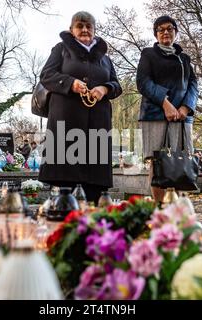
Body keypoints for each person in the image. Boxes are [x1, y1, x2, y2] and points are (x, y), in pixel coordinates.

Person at [38, 11, 122, 204]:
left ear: (94, 30)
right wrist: (70, 83)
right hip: (66, 123)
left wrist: (105, 88)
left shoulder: (105, 59)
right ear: (71, 29)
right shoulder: (60, 50)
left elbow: (117, 86)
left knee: (94, 186)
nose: (84, 29)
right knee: (64, 184)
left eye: (89, 26)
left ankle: (91, 225)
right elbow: (47, 75)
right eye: (79, 26)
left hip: (97, 126)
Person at [136, 15, 199, 202]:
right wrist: (165, 103)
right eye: (161, 29)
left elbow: (193, 84)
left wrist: (186, 108)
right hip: (155, 114)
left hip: (182, 117)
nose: (165, 32)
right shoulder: (148, 54)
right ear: (156, 34)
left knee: (182, 161)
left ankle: (179, 209)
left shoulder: (185, 58)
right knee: (157, 163)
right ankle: (159, 208)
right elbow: (143, 82)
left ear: (175, 32)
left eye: (169, 29)